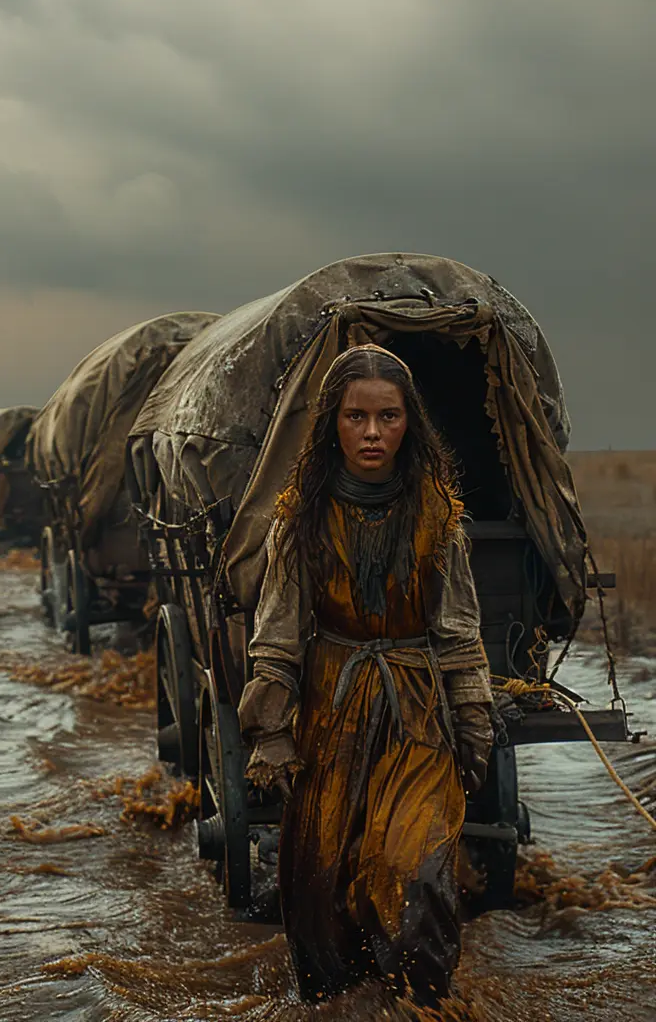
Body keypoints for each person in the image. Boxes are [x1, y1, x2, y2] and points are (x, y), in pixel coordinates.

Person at [237, 344, 494, 1007]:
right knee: (324, 879)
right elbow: (278, 631)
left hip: (417, 713)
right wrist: (270, 732)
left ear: (410, 423)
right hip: (334, 708)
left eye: (388, 416)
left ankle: (422, 1006)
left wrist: (472, 719)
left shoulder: (438, 515)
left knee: (418, 871)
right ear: (333, 423)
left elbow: (460, 631)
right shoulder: (300, 517)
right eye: (356, 417)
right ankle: (343, 1006)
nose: (373, 433)